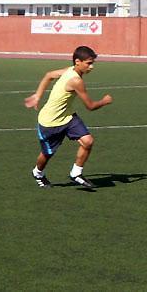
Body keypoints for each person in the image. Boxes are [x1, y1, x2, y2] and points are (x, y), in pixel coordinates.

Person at [24, 46, 113, 188]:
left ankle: (76, 173)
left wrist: (38, 96)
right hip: (50, 122)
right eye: (89, 63)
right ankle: (37, 173)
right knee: (47, 154)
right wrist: (104, 101)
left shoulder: (70, 70)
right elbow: (90, 106)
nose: (92, 67)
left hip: (68, 117)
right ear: (78, 62)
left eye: (92, 63)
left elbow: (49, 75)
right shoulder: (76, 81)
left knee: (88, 141)